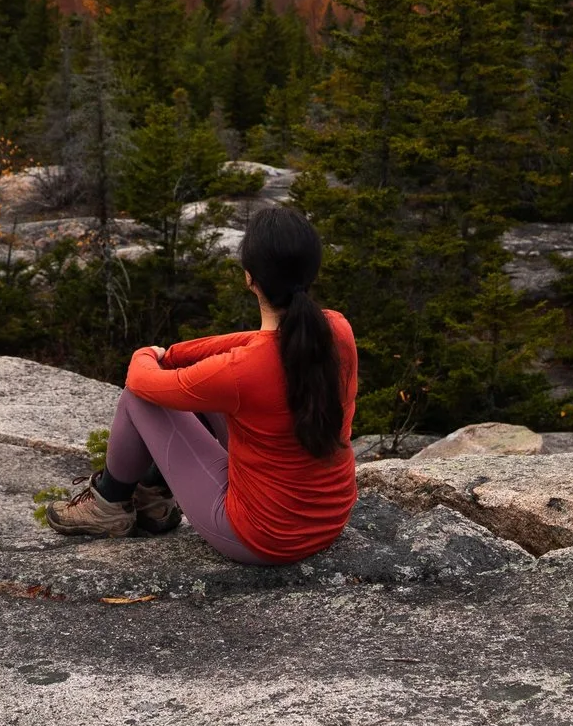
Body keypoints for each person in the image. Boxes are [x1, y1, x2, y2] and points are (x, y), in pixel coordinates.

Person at [46, 206, 357, 564]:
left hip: (264, 538)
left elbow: (140, 380)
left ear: (249, 278)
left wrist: (147, 353)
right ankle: (152, 497)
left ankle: (109, 504)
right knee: (203, 389)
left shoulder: (241, 371)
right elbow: (252, 342)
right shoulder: (336, 330)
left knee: (140, 399)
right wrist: (178, 353)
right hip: (329, 520)